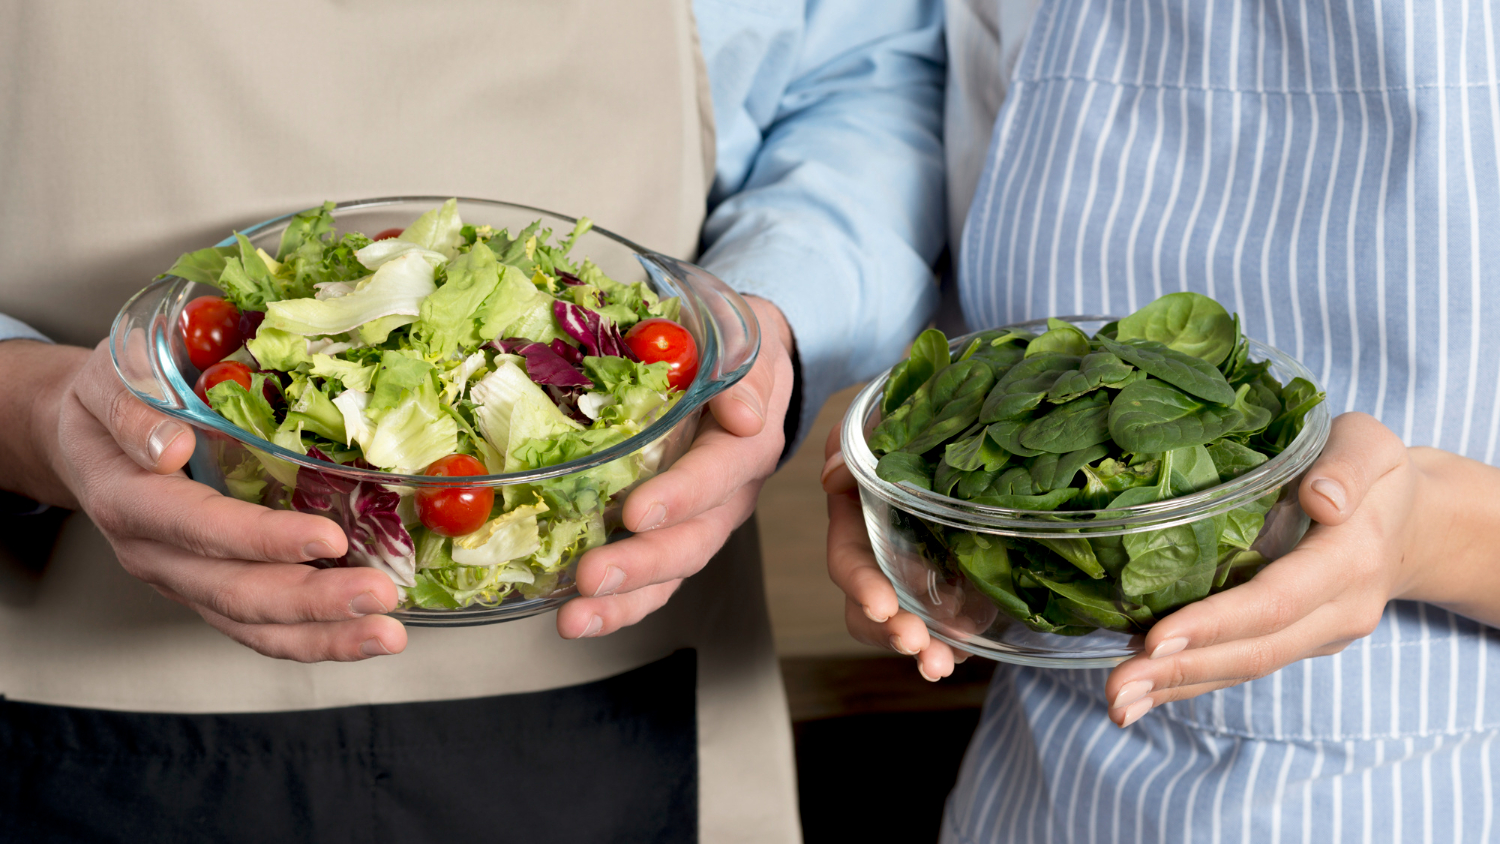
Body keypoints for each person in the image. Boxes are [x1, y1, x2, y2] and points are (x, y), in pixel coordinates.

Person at [0, 1, 945, 841]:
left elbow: (866, 82)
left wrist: (767, 322)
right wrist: (32, 412)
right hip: (63, 694)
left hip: (625, 666)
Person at [824, 0, 1500, 840]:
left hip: (1421, 790)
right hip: (1044, 784)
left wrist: (1427, 533)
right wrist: (913, 457)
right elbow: (920, 138)